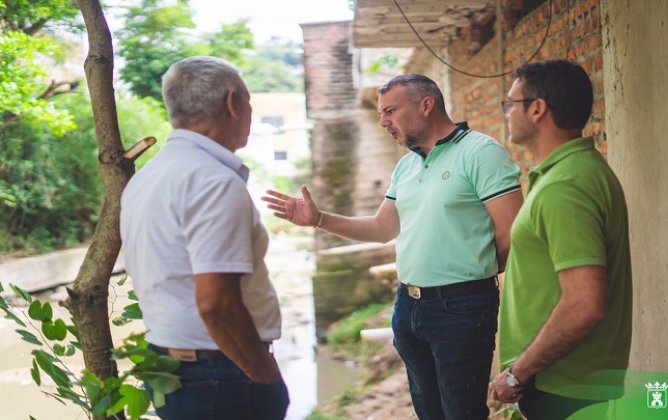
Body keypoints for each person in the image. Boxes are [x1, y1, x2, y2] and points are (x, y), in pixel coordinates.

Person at [263, 74, 523, 419]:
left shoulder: (481, 153)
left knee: (462, 413)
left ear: (426, 105)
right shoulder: (407, 165)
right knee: (428, 412)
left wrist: (473, 275)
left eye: (390, 111)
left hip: (461, 307)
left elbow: (512, 232)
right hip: (409, 306)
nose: (383, 121)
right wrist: (319, 219)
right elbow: (382, 227)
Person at [120, 56, 289, 420]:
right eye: (248, 103)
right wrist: (265, 377)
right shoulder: (212, 180)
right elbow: (217, 305)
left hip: (171, 367)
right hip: (219, 374)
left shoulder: (147, 178)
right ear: (233, 104)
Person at [491, 59, 632, 419]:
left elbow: (585, 302)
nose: (507, 112)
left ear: (537, 109)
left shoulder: (565, 186)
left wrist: (517, 372)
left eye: (511, 103)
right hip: (569, 382)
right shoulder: (575, 171)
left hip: (562, 386)